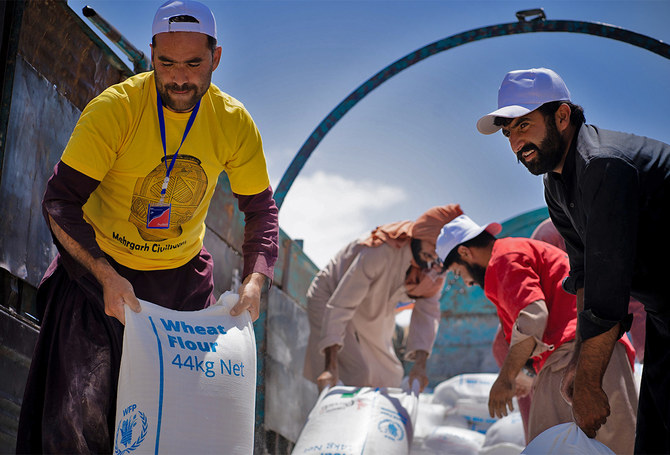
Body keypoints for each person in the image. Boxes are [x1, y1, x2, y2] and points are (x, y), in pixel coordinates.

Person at [16, 1, 279, 452]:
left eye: (194, 64)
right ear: (151, 53)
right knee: (78, 421)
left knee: (177, 428)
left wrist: (255, 281)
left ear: (215, 58)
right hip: (101, 280)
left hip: (181, 289)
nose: (179, 77)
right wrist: (104, 276)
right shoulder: (115, 110)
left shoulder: (234, 123)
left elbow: (261, 212)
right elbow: (59, 201)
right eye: (166, 63)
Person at [476, 67, 670, 453]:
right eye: (508, 132)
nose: (516, 142)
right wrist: (579, 363)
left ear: (562, 116)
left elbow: (607, 287)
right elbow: (583, 276)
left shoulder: (603, 164)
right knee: (655, 438)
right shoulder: (558, 184)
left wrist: (589, 381)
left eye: (524, 125)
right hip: (665, 316)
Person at [436, 214, 637, 452]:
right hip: (604, 350)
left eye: (459, 273)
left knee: (548, 445)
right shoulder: (518, 250)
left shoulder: (503, 258)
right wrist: (527, 374)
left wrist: (505, 378)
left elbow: (533, 317)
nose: (467, 282)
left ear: (465, 253)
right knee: (620, 445)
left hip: (572, 359)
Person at [303, 204, 463, 392]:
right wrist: (330, 366)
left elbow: (427, 315)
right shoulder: (380, 250)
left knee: (388, 375)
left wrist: (420, 366)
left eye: (441, 252)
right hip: (332, 296)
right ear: (418, 235)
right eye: (432, 247)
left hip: (374, 304)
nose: (434, 257)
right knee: (357, 373)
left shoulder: (435, 268)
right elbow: (342, 304)